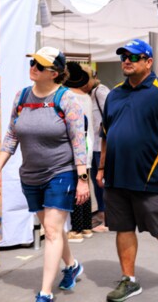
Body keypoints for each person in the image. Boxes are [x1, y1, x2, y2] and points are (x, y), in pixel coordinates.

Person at [97, 39, 158, 302]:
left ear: (148, 61)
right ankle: (129, 280)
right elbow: (105, 134)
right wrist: (102, 166)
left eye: (133, 57)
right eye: (123, 57)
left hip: (150, 176)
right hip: (117, 175)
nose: (126, 61)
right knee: (123, 227)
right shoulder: (115, 94)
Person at [0, 47, 89, 302]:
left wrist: (82, 180)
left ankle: (45, 292)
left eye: (39, 65)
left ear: (54, 73)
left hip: (61, 172)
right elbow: (12, 134)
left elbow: (79, 141)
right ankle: (72, 265)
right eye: (32, 62)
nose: (32, 67)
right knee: (51, 227)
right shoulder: (22, 96)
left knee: (53, 231)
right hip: (31, 175)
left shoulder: (66, 100)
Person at [64, 62, 94, 243]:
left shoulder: (68, 97)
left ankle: (76, 229)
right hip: (87, 144)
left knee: (76, 186)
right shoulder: (86, 97)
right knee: (85, 184)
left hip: (74, 145)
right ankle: (86, 226)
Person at [79, 65, 110, 232]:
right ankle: (103, 213)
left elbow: (111, 113)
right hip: (93, 145)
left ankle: (108, 215)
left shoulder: (100, 91)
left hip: (102, 144)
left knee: (102, 181)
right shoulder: (87, 94)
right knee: (95, 182)